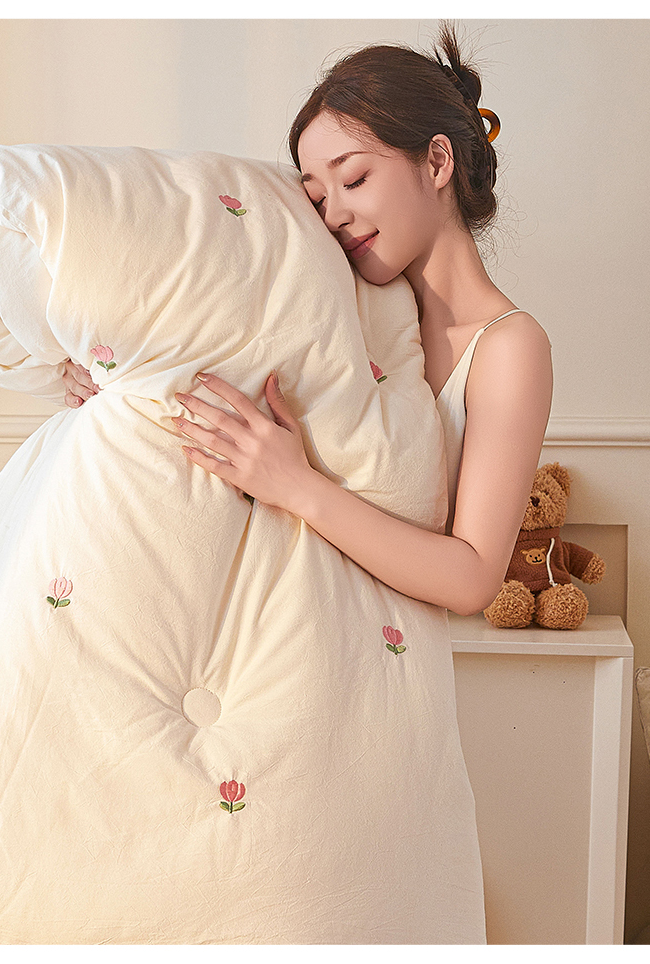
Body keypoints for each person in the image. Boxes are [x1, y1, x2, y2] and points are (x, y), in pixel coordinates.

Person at [62, 23, 552, 617]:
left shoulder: (508, 347)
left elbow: (472, 578)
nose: (334, 216)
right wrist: (114, 375)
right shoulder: (338, 305)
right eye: (318, 198)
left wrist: (295, 485)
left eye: (354, 179)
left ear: (437, 161)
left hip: (392, 651)